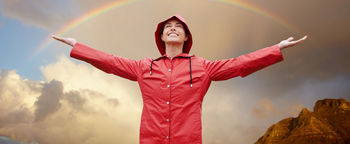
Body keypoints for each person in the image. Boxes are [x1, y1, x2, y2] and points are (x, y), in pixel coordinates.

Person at [52, 14, 307, 144]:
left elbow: (239, 64)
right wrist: (78, 46)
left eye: (179, 27)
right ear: (161, 37)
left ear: (186, 37)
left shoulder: (203, 67)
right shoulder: (144, 67)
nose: (173, 28)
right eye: (168, 27)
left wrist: (276, 48)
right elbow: (110, 62)